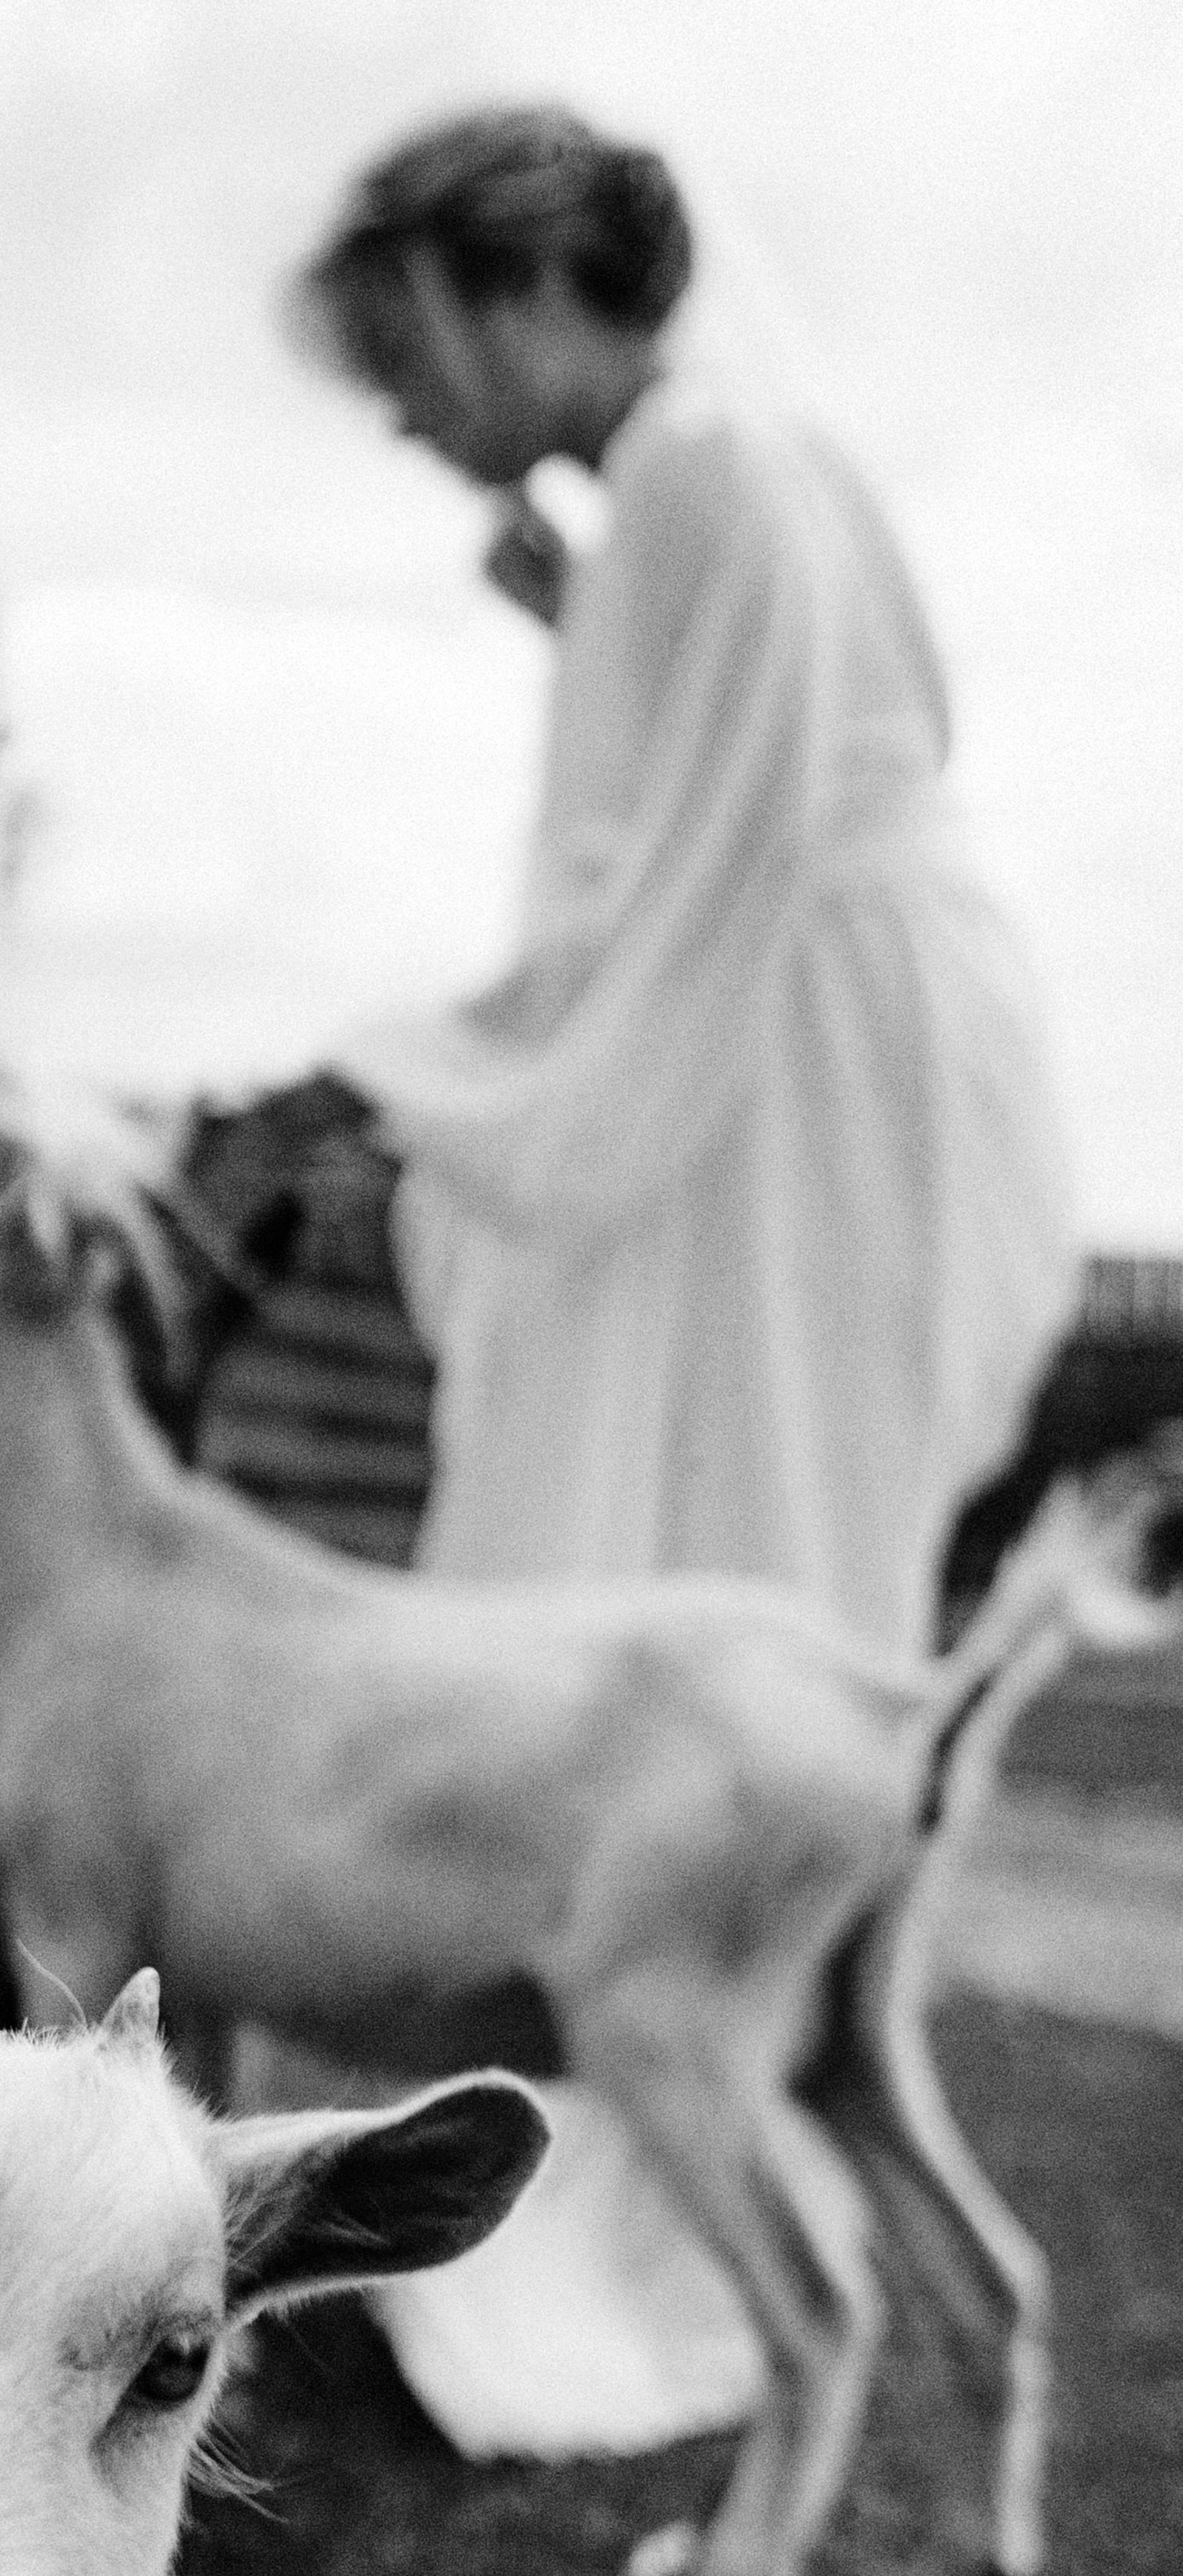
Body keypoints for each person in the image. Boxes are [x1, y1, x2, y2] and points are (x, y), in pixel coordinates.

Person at [296, 106, 1077, 1656]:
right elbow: (782, 749)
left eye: (405, 353)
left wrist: (409, 1072)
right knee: (754, 1528)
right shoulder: (725, 464)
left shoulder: (698, 472)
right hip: (859, 1013)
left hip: (799, 1041)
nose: (400, 417)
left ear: (528, 294)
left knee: (740, 1541)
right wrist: (595, 618)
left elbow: (712, 861)